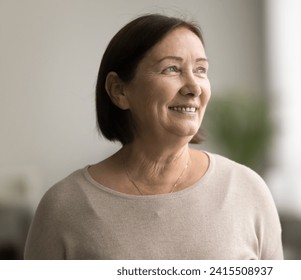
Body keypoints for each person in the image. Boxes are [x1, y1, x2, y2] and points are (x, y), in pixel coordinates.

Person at [24, 13, 283, 260]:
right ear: (119, 91)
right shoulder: (64, 206)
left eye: (201, 70)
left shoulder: (247, 191)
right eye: (171, 69)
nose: (194, 87)